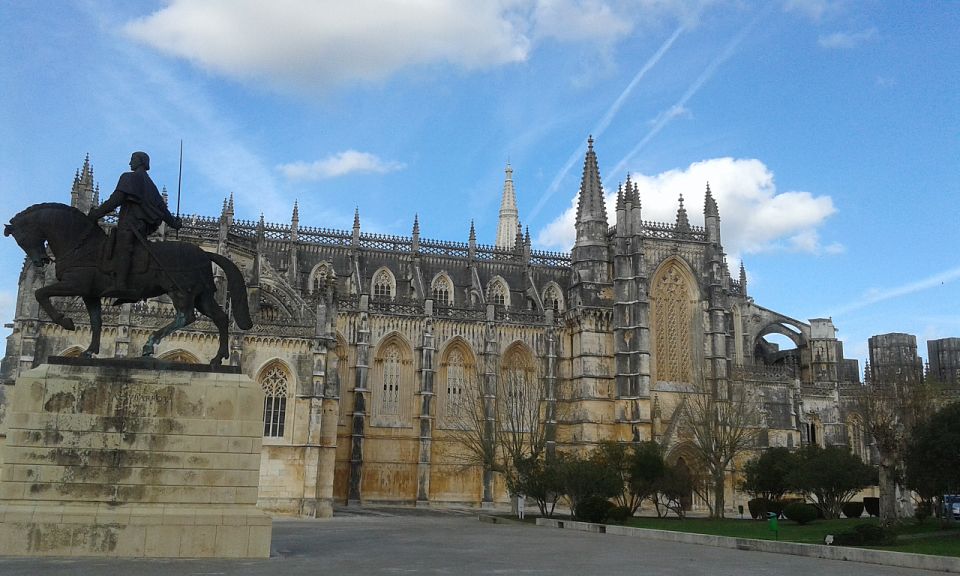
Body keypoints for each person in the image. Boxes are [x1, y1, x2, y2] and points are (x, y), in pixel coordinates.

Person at [88, 151, 182, 298]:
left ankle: (121, 284)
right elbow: (162, 210)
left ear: (141, 162)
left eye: (133, 159)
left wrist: (97, 214)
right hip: (143, 229)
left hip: (130, 225)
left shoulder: (129, 178)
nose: (130, 163)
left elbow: (116, 199)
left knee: (123, 249)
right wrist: (174, 224)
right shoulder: (151, 186)